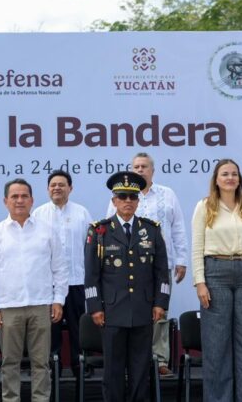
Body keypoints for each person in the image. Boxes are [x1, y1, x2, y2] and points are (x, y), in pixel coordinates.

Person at [0, 178, 68, 402]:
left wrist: (58, 300)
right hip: (8, 308)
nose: (19, 201)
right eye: (14, 197)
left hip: (41, 306)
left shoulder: (47, 231)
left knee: (41, 362)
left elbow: (60, 269)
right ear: (5, 201)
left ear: (32, 200)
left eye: (24, 196)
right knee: (10, 363)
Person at [191, 159, 242, 402]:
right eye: (225, 174)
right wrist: (200, 282)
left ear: (240, 179)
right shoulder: (204, 207)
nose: (230, 178)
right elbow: (197, 247)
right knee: (217, 346)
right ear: (216, 179)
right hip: (215, 272)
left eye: (234, 174)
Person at [86, 171, 170, 402]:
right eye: (122, 197)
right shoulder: (100, 231)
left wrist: (161, 303)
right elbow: (91, 275)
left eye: (132, 197)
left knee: (140, 369)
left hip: (143, 310)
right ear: (114, 201)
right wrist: (95, 307)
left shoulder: (151, 230)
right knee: (113, 370)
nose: (127, 202)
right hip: (111, 311)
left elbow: (162, 272)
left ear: (138, 201)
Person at [106, 153, 189, 375]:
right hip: (127, 268)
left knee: (159, 312)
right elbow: (108, 230)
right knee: (131, 313)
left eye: (144, 166)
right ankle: (132, 361)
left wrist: (181, 260)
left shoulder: (167, 194)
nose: (140, 169)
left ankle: (160, 360)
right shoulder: (121, 195)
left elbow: (178, 227)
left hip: (162, 264)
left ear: (152, 170)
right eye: (136, 166)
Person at [31, 170, 92, 378]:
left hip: (76, 281)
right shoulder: (38, 214)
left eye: (62, 184)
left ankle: (79, 366)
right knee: (50, 329)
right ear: (48, 189)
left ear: (70, 188)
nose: (57, 188)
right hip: (48, 285)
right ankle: (52, 368)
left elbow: (90, 247)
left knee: (78, 328)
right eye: (53, 185)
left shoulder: (82, 213)